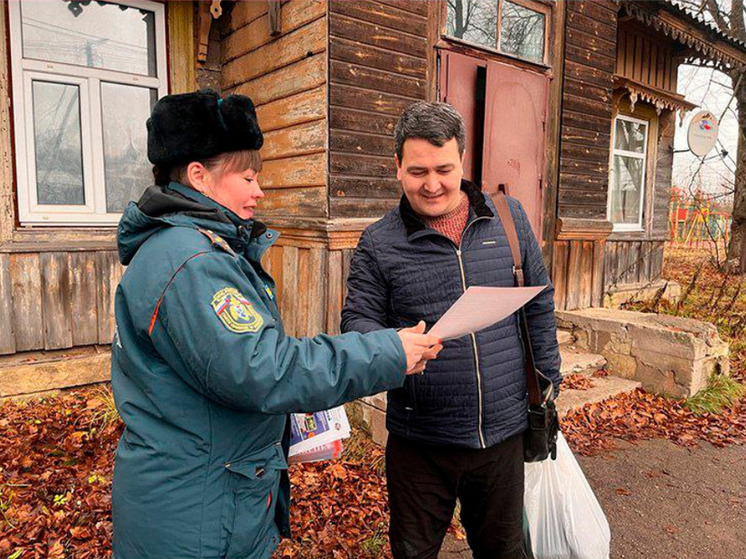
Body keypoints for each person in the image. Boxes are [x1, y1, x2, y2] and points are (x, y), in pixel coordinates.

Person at [110, 89, 441, 559]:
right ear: (199, 176)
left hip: (200, 494)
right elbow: (263, 368)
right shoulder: (192, 261)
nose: (258, 190)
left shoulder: (191, 248)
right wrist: (388, 352)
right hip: (198, 517)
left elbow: (229, 369)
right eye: (247, 177)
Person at [341, 101, 561, 559]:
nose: (433, 184)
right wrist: (393, 345)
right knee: (414, 552)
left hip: (502, 435)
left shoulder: (509, 218)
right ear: (397, 166)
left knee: (504, 551)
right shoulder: (378, 243)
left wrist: (547, 377)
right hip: (421, 443)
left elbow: (538, 301)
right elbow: (356, 322)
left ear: (463, 161)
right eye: (418, 170)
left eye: (445, 168)